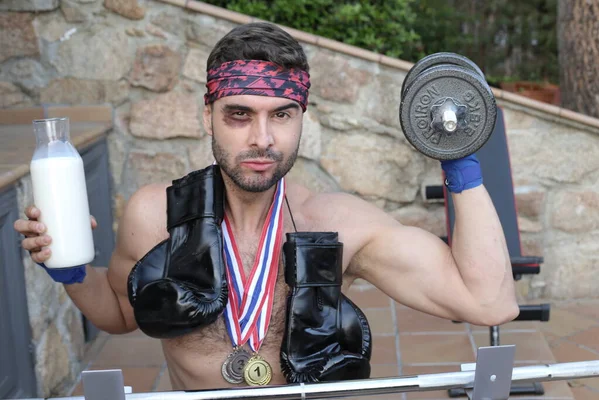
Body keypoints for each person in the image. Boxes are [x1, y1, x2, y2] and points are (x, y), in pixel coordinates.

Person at [14, 22, 519, 391]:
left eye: (281, 114)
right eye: (239, 114)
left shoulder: (336, 225)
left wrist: (459, 160)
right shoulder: (156, 216)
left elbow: (489, 301)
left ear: (303, 118)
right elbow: (122, 313)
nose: (262, 139)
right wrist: (70, 269)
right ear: (207, 115)